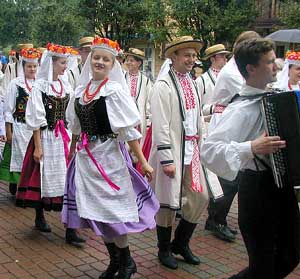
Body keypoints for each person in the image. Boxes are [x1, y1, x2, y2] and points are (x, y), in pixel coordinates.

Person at [201, 38, 300, 279]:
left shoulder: (278, 97)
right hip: (256, 190)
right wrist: (250, 147)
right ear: (251, 69)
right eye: (269, 62)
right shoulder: (240, 108)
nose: (276, 66)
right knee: (262, 266)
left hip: (282, 187)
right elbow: (209, 151)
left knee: (291, 254)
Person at [62, 36, 159, 279]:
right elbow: (75, 128)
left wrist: (142, 160)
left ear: (112, 64)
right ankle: (115, 261)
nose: (100, 62)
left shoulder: (114, 91)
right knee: (96, 214)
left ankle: (127, 261)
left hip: (109, 158)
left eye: (106, 59)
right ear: (90, 60)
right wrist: (72, 151)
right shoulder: (79, 93)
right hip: (86, 160)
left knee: (113, 213)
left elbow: (128, 131)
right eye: (96, 57)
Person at [149, 36, 209, 270]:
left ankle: (180, 243)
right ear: (173, 57)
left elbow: (196, 118)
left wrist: (202, 145)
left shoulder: (192, 83)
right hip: (172, 151)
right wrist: (166, 158)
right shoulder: (163, 86)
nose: (191, 60)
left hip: (192, 151)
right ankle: (163, 249)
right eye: (187, 55)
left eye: (194, 56)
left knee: (200, 197)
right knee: (167, 204)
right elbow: (161, 124)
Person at [15, 43, 84, 246]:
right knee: (42, 177)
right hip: (46, 137)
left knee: (69, 181)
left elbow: (72, 115)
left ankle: (71, 229)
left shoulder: (66, 86)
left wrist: (74, 142)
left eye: (65, 63)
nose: (65, 67)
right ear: (52, 63)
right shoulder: (39, 87)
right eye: (62, 63)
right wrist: (37, 146)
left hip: (64, 138)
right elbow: (35, 118)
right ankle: (40, 217)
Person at [204, 31, 261, 242]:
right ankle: (216, 220)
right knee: (229, 178)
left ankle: (217, 217)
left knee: (232, 177)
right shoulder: (232, 72)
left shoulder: (238, 67)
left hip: (234, 123)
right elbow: (253, 91)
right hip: (227, 125)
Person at [0, 48, 41, 196]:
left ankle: (28, 188)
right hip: (19, 127)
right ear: (23, 67)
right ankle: (15, 183)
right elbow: (8, 110)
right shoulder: (15, 84)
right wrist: (8, 132)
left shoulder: (40, 85)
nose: (32, 69)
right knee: (18, 157)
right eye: (29, 66)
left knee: (32, 158)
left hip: (35, 129)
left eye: (34, 66)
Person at [124, 48, 153, 141]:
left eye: (131, 60)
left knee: (139, 147)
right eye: (127, 60)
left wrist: (149, 121)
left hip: (140, 119)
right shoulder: (122, 78)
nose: (128, 62)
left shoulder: (146, 81)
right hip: (125, 118)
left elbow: (149, 101)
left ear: (139, 63)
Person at [196, 44, 230, 118]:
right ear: (212, 59)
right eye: (222, 56)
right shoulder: (202, 80)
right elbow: (196, 108)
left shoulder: (230, 77)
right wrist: (214, 108)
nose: (225, 59)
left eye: (225, 56)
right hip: (209, 124)